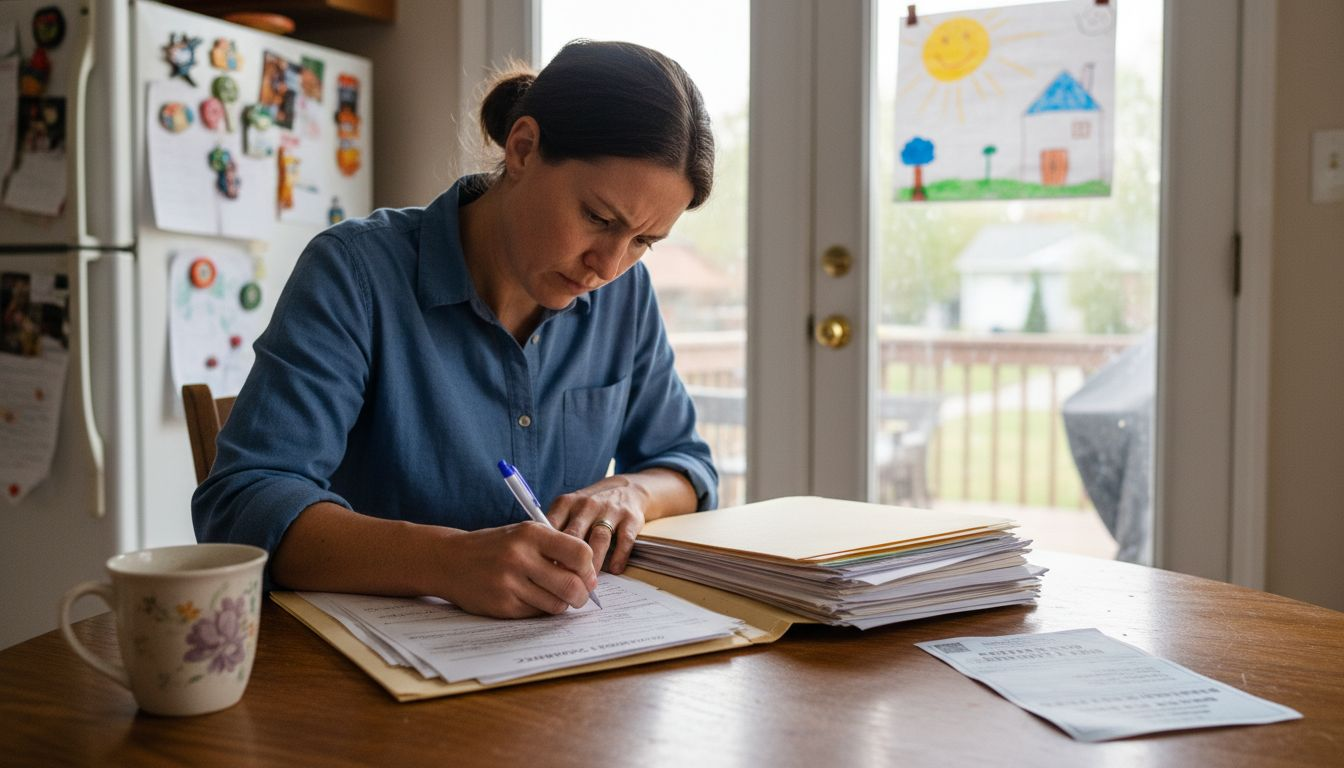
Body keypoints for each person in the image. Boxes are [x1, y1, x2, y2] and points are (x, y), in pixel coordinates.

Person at [193, 40, 718, 619]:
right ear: (522, 149)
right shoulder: (357, 273)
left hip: (563, 672)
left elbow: (686, 465)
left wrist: (634, 492)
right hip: (366, 678)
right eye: (598, 218)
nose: (609, 265)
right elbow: (240, 507)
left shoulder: (624, 296)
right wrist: (448, 561)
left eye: (644, 241)